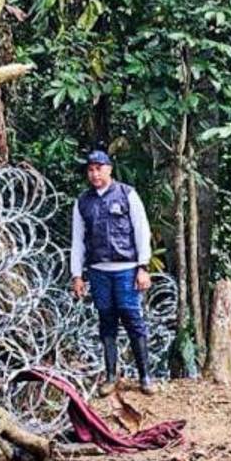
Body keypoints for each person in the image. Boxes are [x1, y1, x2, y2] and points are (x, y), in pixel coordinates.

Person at [70, 150, 157, 396]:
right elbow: (78, 241)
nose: (95, 174)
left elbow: (142, 230)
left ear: (109, 169)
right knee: (106, 322)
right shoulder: (83, 202)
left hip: (126, 269)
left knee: (132, 320)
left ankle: (145, 376)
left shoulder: (127, 194)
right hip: (98, 271)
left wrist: (143, 266)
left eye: (99, 168)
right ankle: (110, 377)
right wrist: (77, 275)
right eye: (90, 169)